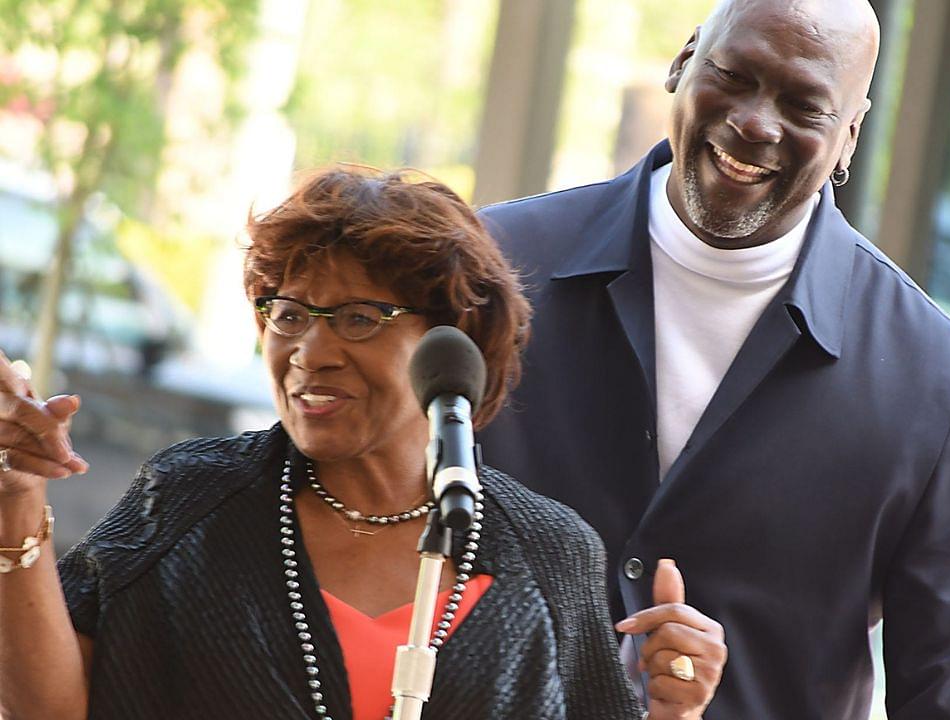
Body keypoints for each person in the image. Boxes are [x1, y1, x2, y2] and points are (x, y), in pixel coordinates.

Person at [0, 167, 726, 720]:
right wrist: (16, 499)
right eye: (289, 313)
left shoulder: (550, 551)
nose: (309, 352)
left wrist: (675, 713)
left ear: (453, 344)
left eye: (357, 318)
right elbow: (47, 710)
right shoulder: (189, 500)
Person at [475, 0, 950, 718]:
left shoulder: (939, 386)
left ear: (850, 136)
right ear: (684, 60)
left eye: (806, 105)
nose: (758, 122)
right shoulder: (491, 275)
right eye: (734, 74)